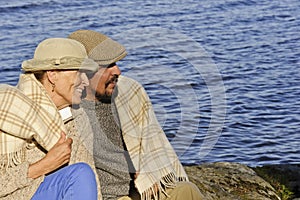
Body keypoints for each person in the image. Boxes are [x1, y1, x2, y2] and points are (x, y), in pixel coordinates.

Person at [68, 30, 204, 200]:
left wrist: (150, 175)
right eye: (108, 66)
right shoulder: (68, 110)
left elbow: (150, 142)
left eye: (116, 63)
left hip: (138, 189)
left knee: (186, 190)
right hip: (104, 196)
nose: (117, 71)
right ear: (84, 73)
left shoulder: (127, 92)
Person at [0, 38, 101, 199]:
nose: (86, 81)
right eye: (79, 73)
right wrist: (43, 166)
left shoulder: (77, 117)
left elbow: (89, 180)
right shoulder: (8, 111)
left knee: (82, 173)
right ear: (53, 75)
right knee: (79, 174)